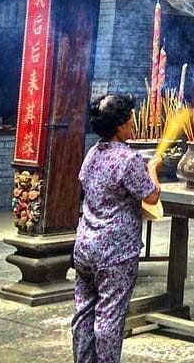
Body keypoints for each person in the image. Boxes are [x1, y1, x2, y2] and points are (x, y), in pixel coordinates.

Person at [72, 95, 161, 362]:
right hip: (115, 252)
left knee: (84, 313)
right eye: (131, 117)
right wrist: (153, 168)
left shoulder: (92, 153)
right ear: (121, 125)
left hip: (85, 246)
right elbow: (151, 196)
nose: (134, 121)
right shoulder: (129, 158)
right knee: (109, 317)